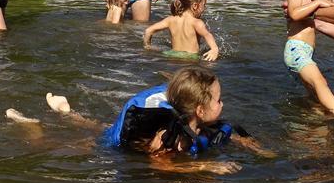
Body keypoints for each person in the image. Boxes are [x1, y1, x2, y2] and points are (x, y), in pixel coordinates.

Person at [37, 66, 266, 173]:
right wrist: (205, 166)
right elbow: (160, 165)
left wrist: (249, 145)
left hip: (128, 129)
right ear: (200, 111)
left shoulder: (200, 121)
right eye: (218, 101)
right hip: (113, 149)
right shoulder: (169, 138)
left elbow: (220, 132)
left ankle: (67, 112)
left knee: (100, 126)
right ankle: (33, 126)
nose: (222, 104)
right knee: (89, 140)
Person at [143, 0, 220, 61]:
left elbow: (148, 31)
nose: (204, 8)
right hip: (191, 58)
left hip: (171, 55)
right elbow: (207, 35)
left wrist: (148, 46)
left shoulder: (170, 19)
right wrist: (214, 49)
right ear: (195, 6)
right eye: (204, 5)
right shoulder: (196, 22)